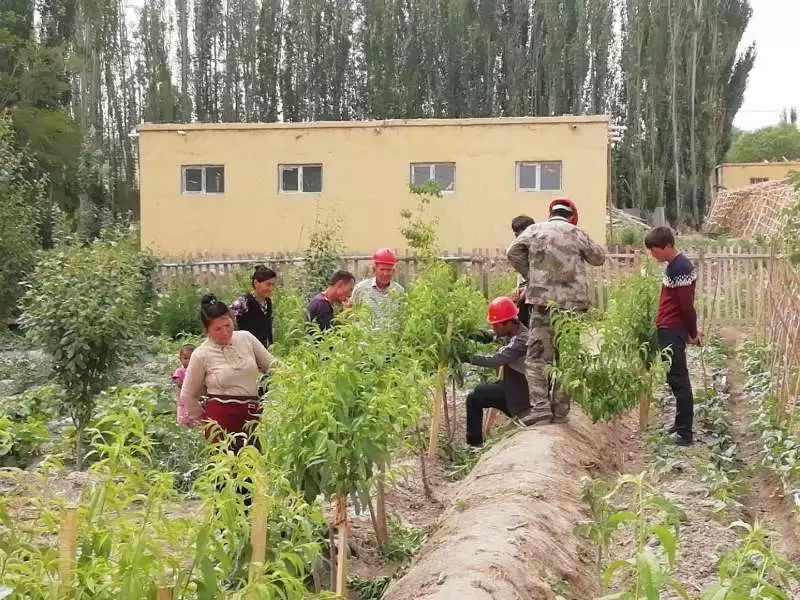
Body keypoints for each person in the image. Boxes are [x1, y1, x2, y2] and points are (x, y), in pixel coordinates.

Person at [506, 197, 606, 423]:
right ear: (572, 216)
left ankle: (540, 407)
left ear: (551, 213)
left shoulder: (534, 230)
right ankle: (560, 410)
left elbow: (512, 252)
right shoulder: (577, 232)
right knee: (567, 355)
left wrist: (532, 275)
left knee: (537, 356)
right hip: (572, 308)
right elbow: (598, 258)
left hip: (542, 304)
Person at [180, 294, 276, 451]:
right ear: (207, 330)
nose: (225, 332)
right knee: (227, 471)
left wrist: (296, 377)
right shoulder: (201, 354)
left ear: (233, 320)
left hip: (252, 418)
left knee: (255, 466)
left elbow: (273, 365)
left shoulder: (246, 339)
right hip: (220, 423)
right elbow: (187, 394)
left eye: (228, 325)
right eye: (217, 329)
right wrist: (205, 421)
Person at [645, 226, 699, 446]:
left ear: (667, 246)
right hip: (669, 328)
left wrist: (692, 333)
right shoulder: (674, 266)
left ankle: (685, 434)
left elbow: (686, 307)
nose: (653, 255)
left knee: (679, 379)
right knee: (673, 377)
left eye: (655, 250)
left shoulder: (681, 267)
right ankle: (679, 424)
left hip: (673, 330)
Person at [465, 297, 534, 447]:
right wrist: (470, 333)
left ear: (508, 323)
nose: (494, 328)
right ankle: (474, 444)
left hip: (520, 397)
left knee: (478, 393)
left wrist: (467, 358)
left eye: (496, 325)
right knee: (474, 397)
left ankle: (474, 446)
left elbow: (495, 360)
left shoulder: (522, 340)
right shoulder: (511, 332)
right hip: (514, 389)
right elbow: (491, 336)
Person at [230, 265, 277, 349]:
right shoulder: (244, 301)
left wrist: (270, 343)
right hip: (246, 348)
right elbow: (227, 315)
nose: (271, 288)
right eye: (268, 284)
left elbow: (268, 325)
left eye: (273, 285)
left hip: (262, 349)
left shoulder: (268, 302)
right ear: (256, 283)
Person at [351, 248, 405, 321]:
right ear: (374, 270)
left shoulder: (399, 291)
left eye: (389, 270)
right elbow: (354, 315)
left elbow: (402, 318)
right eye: (382, 269)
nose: (385, 274)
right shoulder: (360, 289)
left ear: (393, 271)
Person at [509, 215, 536, 326]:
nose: (519, 239)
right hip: (524, 297)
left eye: (522, 235)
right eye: (516, 235)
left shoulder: (538, 251)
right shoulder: (519, 251)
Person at [172, 343, 195, 427]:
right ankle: (184, 426)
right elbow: (178, 382)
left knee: (194, 413)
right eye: (185, 358)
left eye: (191, 358)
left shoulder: (196, 371)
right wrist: (187, 387)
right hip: (183, 399)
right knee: (183, 415)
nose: (188, 361)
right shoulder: (180, 371)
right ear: (180, 359)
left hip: (194, 398)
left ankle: (193, 425)